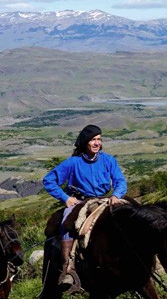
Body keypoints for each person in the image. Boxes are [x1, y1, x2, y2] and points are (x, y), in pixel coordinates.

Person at [42, 124, 127, 290]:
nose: (97, 143)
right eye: (93, 140)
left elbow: (120, 181)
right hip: (80, 202)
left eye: (99, 139)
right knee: (67, 222)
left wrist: (117, 195)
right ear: (84, 143)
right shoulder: (73, 163)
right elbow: (48, 180)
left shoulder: (109, 160)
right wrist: (65, 198)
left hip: (104, 200)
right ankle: (68, 268)